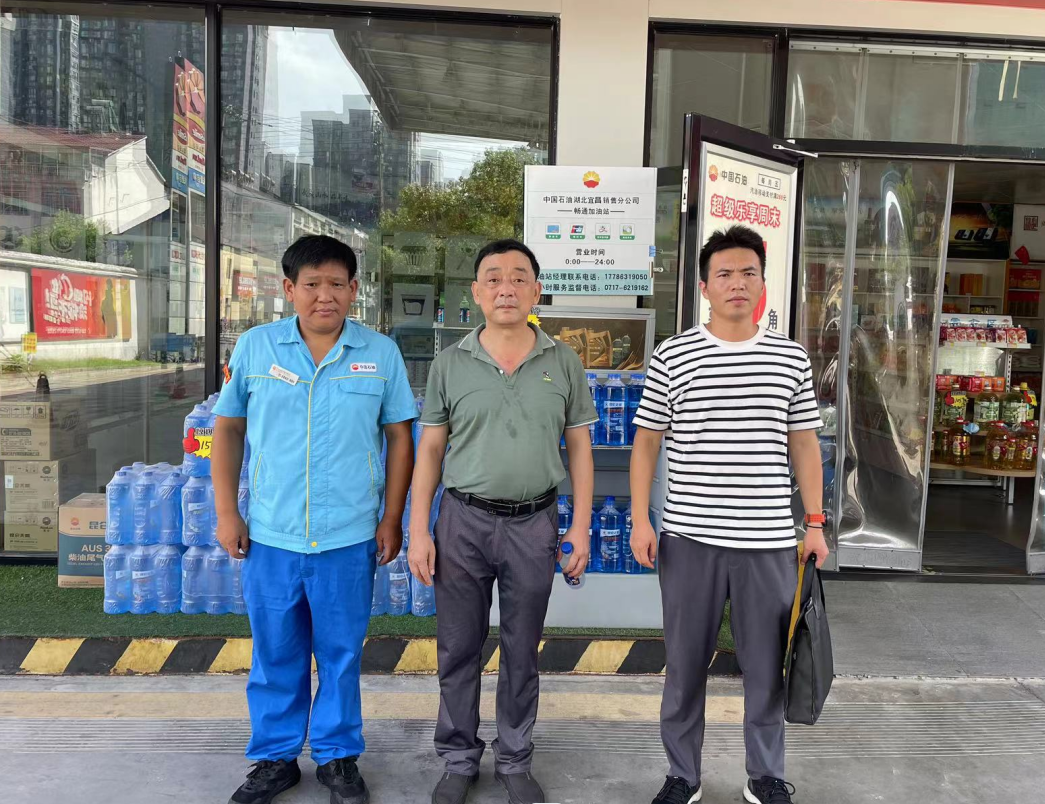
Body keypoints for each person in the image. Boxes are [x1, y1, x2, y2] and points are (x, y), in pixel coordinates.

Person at [212, 235, 417, 804]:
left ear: (354, 290)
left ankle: (337, 756)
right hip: (271, 536)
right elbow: (228, 430)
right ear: (289, 289)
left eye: (336, 284)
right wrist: (227, 512)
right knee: (275, 653)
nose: (324, 296)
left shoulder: (380, 353)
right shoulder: (256, 348)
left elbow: (400, 437)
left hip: (348, 538)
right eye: (312, 284)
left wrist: (392, 516)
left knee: (341, 654)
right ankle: (275, 759)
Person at [629, 224, 827, 804]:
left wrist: (815, 524)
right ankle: (682, 776)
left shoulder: (789, 358)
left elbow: (804, 444)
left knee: (766, 668)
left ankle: (765, 774)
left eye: (748, 273)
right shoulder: (674, 355)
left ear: (763, 283)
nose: (737, 283)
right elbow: (647, 441)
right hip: (690, 538)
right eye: (724, 274)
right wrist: (641, 519)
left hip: (768, 542)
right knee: (684, 665)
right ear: (704, 287)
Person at [408, 239, 597, 804]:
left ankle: (515, 759)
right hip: (462, 522)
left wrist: (580, 527)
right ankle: (458, 758)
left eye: (518, 278)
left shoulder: (563, 361)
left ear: (536, 291)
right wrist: (419, 529)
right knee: (457, 646)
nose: (506, 288)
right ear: (476, 292)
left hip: (534, 524)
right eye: (493, 278)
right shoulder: (450, 363)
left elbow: (580, 449)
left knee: (522, 649)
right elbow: (430, 450)